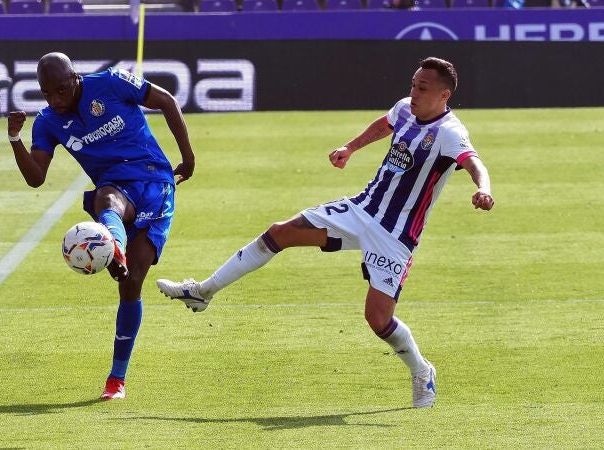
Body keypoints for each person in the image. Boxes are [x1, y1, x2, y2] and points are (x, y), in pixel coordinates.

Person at [157, 57, 494, 408]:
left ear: (444, 94)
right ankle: (202, 292)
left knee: (378, 319)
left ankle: (422, 370)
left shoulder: (449, 133)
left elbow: (474, 162)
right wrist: (350, 147)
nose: (413, 93)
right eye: (412, 84)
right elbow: (386, 124)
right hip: (361, 209)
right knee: (280, 232)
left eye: (422, 88)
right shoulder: (405, 110)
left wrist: (483, 188)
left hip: (395, 235)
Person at [7, 52, 195, 400]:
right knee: (105, 200)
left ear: (75, 78)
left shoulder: (111, 82)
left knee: (133, 283)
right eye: (47, 93)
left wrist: (189, 157)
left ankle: (117, 375)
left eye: (60, 90)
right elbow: (36, 177)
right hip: (114, 187)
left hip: (154, 181)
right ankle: (114, 247)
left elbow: (166, 101)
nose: (55, 99)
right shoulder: (47, 122)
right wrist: (15, 138)